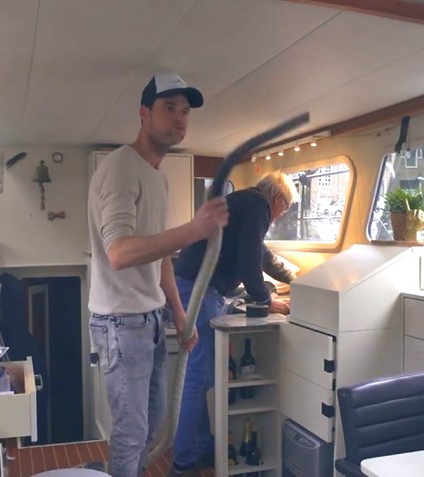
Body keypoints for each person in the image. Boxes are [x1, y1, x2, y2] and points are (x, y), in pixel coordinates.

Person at [87, 72, 229, 477]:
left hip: (150, 319)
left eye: (185, 111)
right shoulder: (121, 169)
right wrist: (195, 229)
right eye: (169, 108)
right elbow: (119, 253)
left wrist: (180, 314)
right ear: (144, 113)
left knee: (149, 428)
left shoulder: (158, 177)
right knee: (132, 433)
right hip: (120, 323)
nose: (179, 118)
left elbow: (159, 253)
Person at [168, 172, 299, 476]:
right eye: (285, 207)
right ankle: (182, 463)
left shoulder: (245, 202)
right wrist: (265, 300)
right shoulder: (258, 205)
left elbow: (262, 256)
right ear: (277, 198)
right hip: (200, 287)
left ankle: (200, 447)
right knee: (198, 377)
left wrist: (298, 279)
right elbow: (248, 259)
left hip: (195, 284)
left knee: (199, 376)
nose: (281, 215)